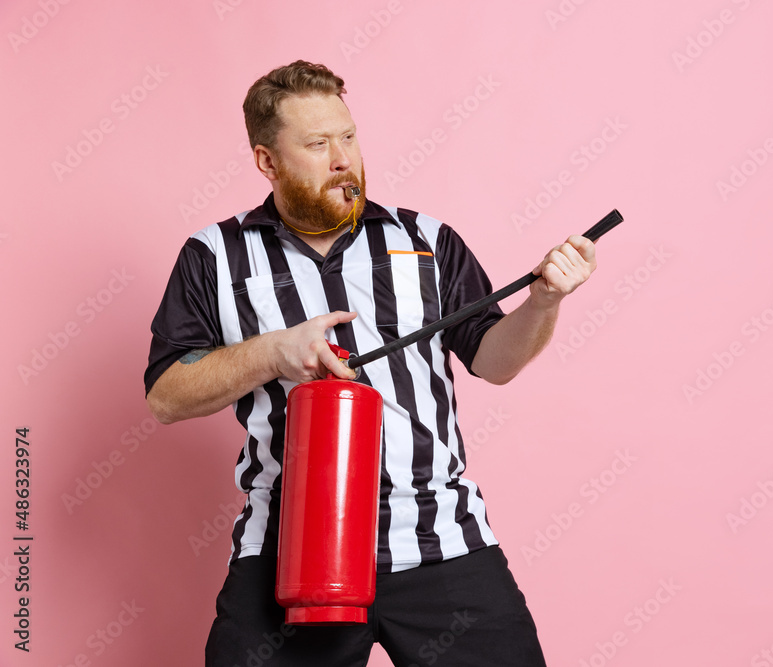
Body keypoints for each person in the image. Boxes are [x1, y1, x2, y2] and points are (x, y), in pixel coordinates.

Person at [144, 60, 596, 666]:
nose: (342, 159)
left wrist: (543, 303)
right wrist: (272, 352)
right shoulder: (214, 257)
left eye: (348, 137)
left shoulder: (427, 240)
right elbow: (166, 396)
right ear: (267, 162)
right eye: (317, 144)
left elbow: (495, 361)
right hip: (288, 551)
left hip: (439, 538)